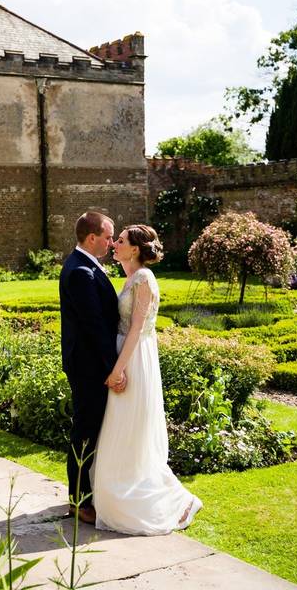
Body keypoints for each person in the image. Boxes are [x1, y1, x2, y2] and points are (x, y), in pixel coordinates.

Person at [91, 224, 202, 535]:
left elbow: (137, 329)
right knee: (120, 424)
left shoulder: (143, 278)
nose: (114, 244)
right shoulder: (131, 277)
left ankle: (168, 499)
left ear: (136, 249)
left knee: (129, 423)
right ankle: (121, 484)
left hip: (135, 358)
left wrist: (118, 369)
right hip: (125, 352)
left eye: (121, 241)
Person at [58, 211, 123, 524]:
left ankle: (84, 494)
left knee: (89, 429)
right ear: (92, 237)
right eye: (109, 237)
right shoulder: (81, 271)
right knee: (84, 432)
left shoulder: (85, 265)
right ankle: (79, 501)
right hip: (88, 366)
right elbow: (94, 326)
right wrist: (114, 369)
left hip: (89, 362)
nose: (112, 243)